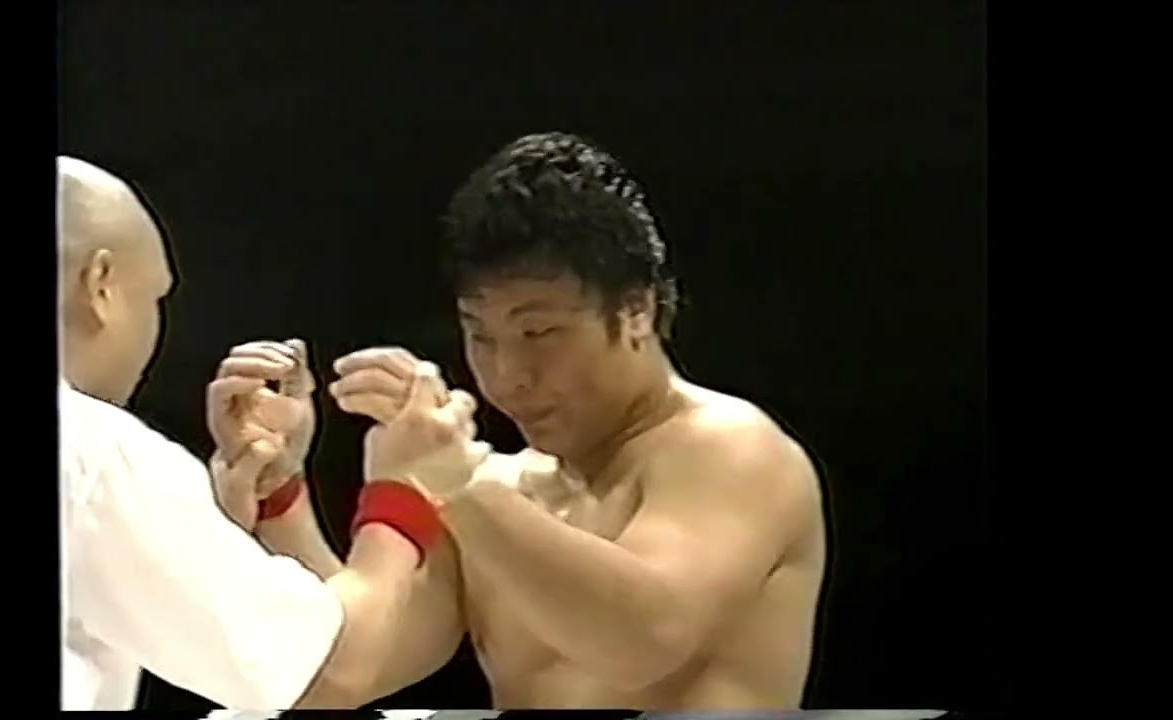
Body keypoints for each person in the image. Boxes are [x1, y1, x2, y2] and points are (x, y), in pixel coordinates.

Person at [212, 132, 827, 710]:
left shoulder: (732, 449)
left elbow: (640, 641)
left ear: (636, 310)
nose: (508, 376)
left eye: (539, 333)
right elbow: (344, 670)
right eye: (481, 336)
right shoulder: (501, 494)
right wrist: (281, 494)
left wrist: (457, 481)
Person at [57, 156, 489, 711]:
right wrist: (402, 487)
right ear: (100, 284)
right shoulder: (93, 448)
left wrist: (272, 499)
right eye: (155, 297)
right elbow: (332, 673)